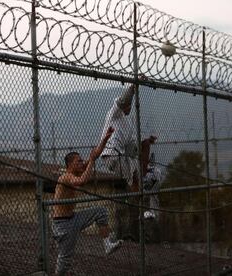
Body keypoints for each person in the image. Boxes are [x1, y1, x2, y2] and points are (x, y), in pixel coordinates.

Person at [52, 127, 122, 276]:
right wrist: (92, 160)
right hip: (63, 224)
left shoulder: (75, 173)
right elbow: (83, 180)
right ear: (70, 165)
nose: (82, 163)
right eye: (78, 161)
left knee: (101, 212)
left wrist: (104, 140)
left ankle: (107, 244)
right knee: (65, 260)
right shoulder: (66, 177)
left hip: (73, 218)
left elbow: (93, 156)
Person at [100, 78, 162, 220]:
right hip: (111, 156)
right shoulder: (114, 113)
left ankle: (143, 186)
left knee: (140, 176)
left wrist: (148, 141)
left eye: (130, 105)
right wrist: (133, 87)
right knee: (135, 181)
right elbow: (122, 100)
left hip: (120, 156)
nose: (128, 106)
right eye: (127, 105)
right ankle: (140, 205)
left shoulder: (127, 125)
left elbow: (134, 145)